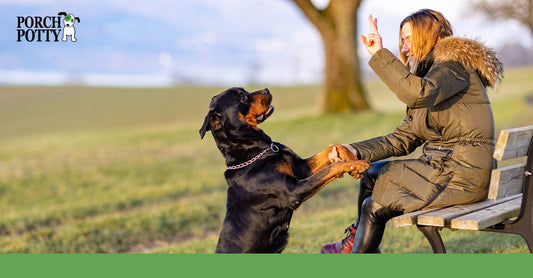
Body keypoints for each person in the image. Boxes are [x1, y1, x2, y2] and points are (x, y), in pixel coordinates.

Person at [321, 9, 503, 253]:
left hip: (461, 177)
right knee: (372, 172)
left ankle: (357, 254)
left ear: (433, 37)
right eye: (402, 41)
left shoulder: (453, 68)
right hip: (453, 171)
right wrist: (355, 150)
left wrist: (379, 55)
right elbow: (404, 138)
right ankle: (355, 242)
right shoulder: (434, 76)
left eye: (409, 40)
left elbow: (416, 93)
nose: (404, 49)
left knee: (373, 206)